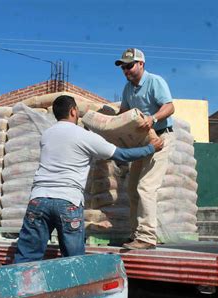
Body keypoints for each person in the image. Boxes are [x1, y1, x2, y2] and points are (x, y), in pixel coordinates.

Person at [13, 95, 163, 263]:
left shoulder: (47, 135)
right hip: (67, 201)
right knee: (74, 262)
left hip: (38, 201)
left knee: (26, 258)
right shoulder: (84, 136)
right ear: (73, 111)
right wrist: (150, 148)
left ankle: (20, 287)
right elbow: (122, 154)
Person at [115, 48, 175, 250]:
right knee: (132, 189)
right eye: (123, 67)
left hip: (160, 137)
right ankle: (136, 234)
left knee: (146, 186)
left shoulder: (154, 81)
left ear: (141, 64)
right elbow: (124, 112)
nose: (126, 70)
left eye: (129, 65)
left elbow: (169, 106)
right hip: (141, 142)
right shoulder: (127, 89)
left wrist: (153, 118)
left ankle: (148, 237)